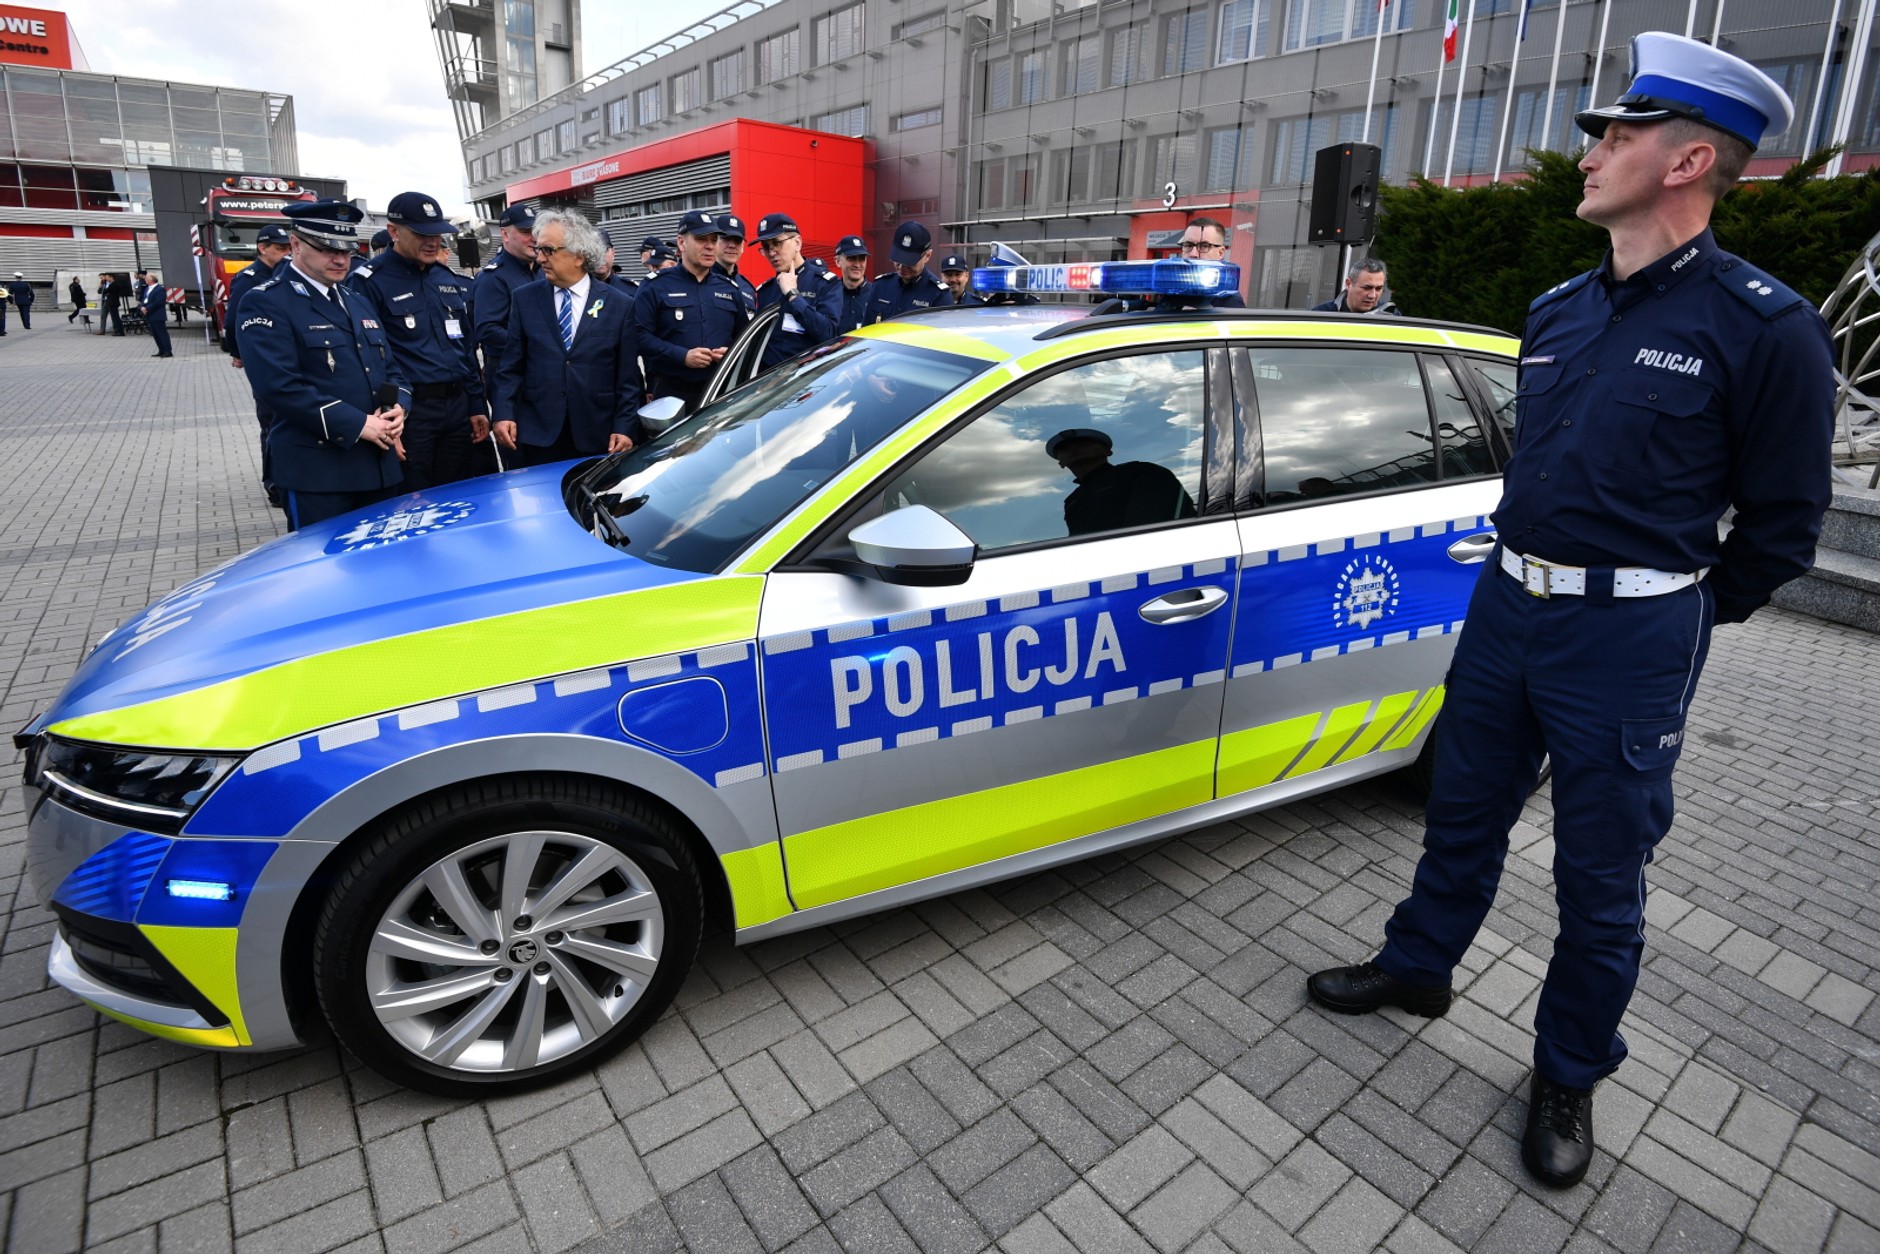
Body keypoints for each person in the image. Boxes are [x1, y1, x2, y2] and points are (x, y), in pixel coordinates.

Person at [1304, 31, 1835, 1191]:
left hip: (1627, 638)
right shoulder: (1555, 310)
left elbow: (1784, 523)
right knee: (1459, 814)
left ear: (1686, 162)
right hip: (1507, 605)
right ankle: (1418, 965)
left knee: (1598, 876)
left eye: (1616, 135)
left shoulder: (1763, 327)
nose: (1588, 152)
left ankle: (1567, 1069)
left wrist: (1669, 610)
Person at [239, 199, 408, 530]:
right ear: (295, 244)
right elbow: (279, 387)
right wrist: (358, 424)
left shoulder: (356, 300)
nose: (340, 259)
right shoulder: (266, 301)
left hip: (378, 465)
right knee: (324, 559)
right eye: (327, 249)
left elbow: (390, 369)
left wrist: (398, 408)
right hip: (319, 473)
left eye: (347, 250)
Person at [358, 190, 489, 492]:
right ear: (394, 232)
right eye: (422, 234)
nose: (433, 242)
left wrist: (476, 405)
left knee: (459, 495)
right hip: (412, 413)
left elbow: (465, 349)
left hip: (457, 409)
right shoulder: (370, 282)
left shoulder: (444, 278)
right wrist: (389, 422)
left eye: (437, 235)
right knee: (413, 499)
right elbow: (371, 362)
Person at [491, 209, 644, 466]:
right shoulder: (525, 299)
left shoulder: (620, 304)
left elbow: (628, 378)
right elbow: (510, 368)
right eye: (538, 249)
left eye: (548, 250)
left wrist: (625, 427)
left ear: (579, 255)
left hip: (598, 435)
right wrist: (503, 413)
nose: (540, 258)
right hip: (538, 435)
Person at [632, 210, 748, 414]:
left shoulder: (729, 289)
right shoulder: (656, 285)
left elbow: (744, 338)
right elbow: (638, 336)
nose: (710, 246)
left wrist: (730, 353)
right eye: (702, 239)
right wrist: (682, 356)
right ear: (681, 243)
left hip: (720, 392)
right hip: (671, 393)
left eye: (714, 240)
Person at [226, 223, 296, 504]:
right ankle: (274, 483)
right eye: (279, 248)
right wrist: (239, 352)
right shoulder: (249, 278)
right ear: (262, 248)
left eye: (288, 248)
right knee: (270, 422)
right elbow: (233, 321)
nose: (285, 253)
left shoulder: (289, 275)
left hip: (285, 358)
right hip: (263, 359)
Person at [1046, 427, 1195, 537]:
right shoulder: (1073, 501)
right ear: (1061, 463)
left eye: (1083, 443)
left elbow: (1156, 520)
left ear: (1108, 451)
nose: (1073, 449)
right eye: (1064, 448)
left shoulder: (1140, 472)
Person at [752, 212, 843, 370]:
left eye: (777, 243)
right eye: (766, 247)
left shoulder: (824, 283)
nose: (772, 253)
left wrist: (794, 296)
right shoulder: (765, 291)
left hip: (807, 377)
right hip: (769, 379)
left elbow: (828, 334)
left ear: (797, 243)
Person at [471, 203, 538, 398]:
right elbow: (487, 330)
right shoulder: (493, 277)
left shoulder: (543, 271)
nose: (534, 237)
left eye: (537, 231)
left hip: (539, 371)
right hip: (509, 374)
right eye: (526, 231)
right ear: (505, 234)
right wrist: (534, 342)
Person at [863, 221, 953, 323]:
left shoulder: (939, 295)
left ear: (927, 256)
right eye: (898, 259)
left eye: (909, 262)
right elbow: (866, 329)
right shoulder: (881, 286)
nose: (902, 266)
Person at [1313, 258, 1395, 314]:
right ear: (1348, 284)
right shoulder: (1322, 315)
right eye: (1367, 288)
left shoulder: (1391, 316)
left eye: (1378, 289)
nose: (1372, 296)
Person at [715, 214, 758, 314]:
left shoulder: (747, 288)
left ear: (743, 246)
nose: (732, 245)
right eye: (726, 239)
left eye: (737, 241)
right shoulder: (701, 279)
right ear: (714, 241)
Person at [833, 235, 872, 334]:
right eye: (852, 258)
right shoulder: (830, 295)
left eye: (862, 259)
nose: (857, 265)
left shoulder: (876, 294)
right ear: (838, 261)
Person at [140, 271, 173, 358]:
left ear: (152, 279)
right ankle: (161, 350)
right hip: (149, 315)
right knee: (155, 334)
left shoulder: (160, 289)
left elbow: (158, 302)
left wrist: (147, 308)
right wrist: (142, 306)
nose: (145, 279)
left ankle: (167, 351)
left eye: (147, 278)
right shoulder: (147, 289)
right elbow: (144, 299)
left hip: (157, 314)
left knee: (162, 333)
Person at [104, 272, 132, 336]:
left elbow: (106, 291)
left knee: (115, 318)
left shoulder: (114, 284)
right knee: (115, 317)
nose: (106, 278)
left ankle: (120, 331)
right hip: (113, 302)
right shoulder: (113, 284)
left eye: (107, 277)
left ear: (111, 277)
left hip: (113, 302)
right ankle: (118, 331)